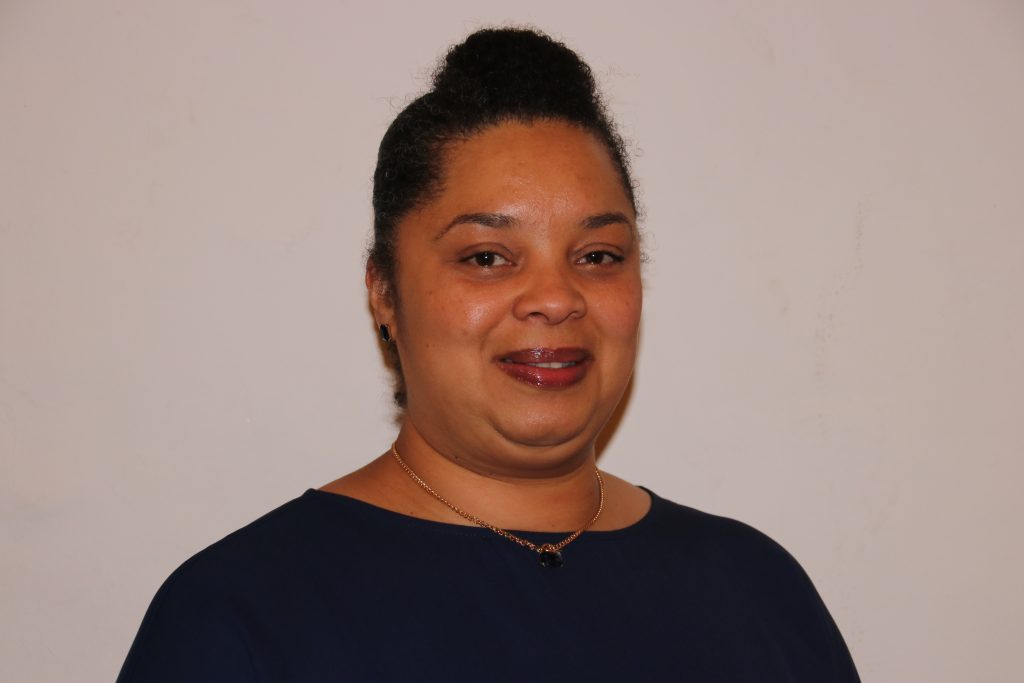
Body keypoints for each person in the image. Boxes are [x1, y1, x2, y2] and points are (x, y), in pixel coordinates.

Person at [117, 28, 860, 682]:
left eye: (598, 255)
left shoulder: (759, 590)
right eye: (486, 257)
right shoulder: (239, 616)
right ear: (383, 292)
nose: (555, 298)